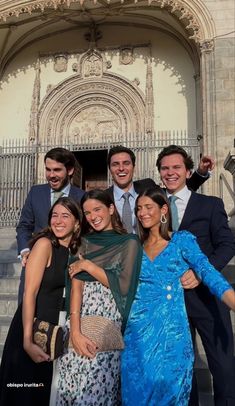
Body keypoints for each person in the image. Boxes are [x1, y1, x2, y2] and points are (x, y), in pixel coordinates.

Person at [121, 188, 235, 406]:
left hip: (171, 335)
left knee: (172, 395)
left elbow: (207, 271)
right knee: (136, 395)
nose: (142, 213)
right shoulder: (134, 247)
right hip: (136, 336)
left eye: (148, 207)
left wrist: (231, 299)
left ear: (164, 209)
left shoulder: (182, 240)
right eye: (138, 209)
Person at [156, 144, 235, 406]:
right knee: (182, 373)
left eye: (176, 167)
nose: (170, 173)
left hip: (209, 299)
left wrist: (203, 273)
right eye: (165, 168)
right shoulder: (154, 209)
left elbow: (227, 244)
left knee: (224, 371)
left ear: (189, 172)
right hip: (172, 304)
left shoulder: (210, 204)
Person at [53, 189, 142, 405]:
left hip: (108, 328)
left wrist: (87, 265)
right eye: (87, 212)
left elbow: (123, 285)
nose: (93, 216)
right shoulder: (82, 241)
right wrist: (74, 331)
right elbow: (76, 287)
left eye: (97, 209)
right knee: (70, 391)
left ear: (111, 209)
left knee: (98, 393)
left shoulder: (130, 242)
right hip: (79, 323)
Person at [0, 197, 82, 405]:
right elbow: (30, 293)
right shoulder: (44, 244)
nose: (58, 220)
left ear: (77, 223)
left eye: (66, 216)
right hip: (32, 328)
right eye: (55, 215)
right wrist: (27, 340)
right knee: (25, 393)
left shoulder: (75, 252)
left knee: (45, 395)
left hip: (54, 331)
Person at [16, 147, 84, 303]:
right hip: (36, 264)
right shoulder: (35, 192)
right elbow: (24, 226)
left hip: (67, 268)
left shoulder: (82, 197)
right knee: (27, 312)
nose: (51, 175)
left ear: (70, 170)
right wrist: (25, 250)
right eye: (48, 170)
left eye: (57, 170)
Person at [106, 145, 214, 233]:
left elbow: (179, 187)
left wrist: (200, 172)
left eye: (126, 163)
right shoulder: (103, 199)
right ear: (110, 169)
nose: (121, 168)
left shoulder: (148, 187)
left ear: (134, 167)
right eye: (115, 164)